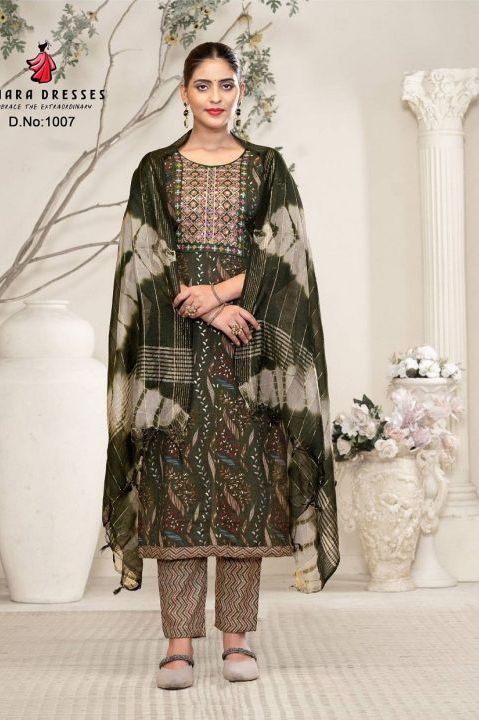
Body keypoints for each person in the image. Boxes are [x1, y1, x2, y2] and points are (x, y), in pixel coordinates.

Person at [101, 41, 340, 691]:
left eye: (226, 84)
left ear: (239, 90)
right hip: (173, 353)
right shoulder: (155, 170)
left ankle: (238, 638)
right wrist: (207, 308)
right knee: (174, 491)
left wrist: (221, 294)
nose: (215, 96)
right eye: (203, 85)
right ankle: (178, 644)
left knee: (245, 486)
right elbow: (143, 260)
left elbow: (286, 253)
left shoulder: (267, 166)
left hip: (248, 352)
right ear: (184, 93)